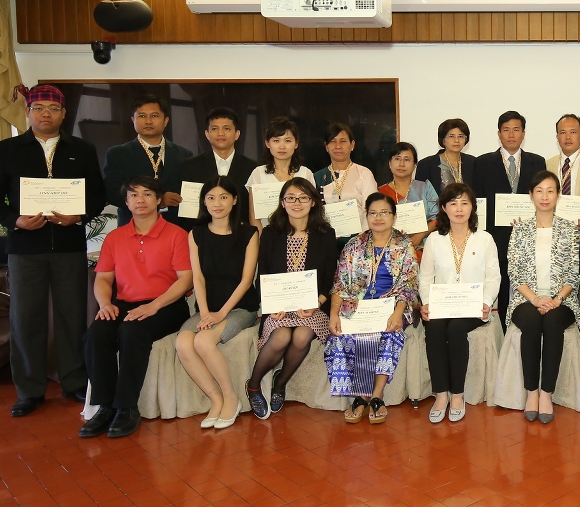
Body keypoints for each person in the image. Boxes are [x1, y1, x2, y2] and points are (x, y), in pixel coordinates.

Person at [0, 84, 106, 418]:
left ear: (64, 114)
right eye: (39, 108)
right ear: (28, 113)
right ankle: (29, 390)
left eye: (53, 108)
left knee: (72, 316)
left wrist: (79, 216)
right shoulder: (6, 149)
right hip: (25, 248)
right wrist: (16, 221)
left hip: (68, 246)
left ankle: (74, 381)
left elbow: (96, 195)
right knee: (26, 319)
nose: (45, 114)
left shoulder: (82, 149)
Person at [79, 177, 193, 439]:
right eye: (133, 195)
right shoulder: (115, 237)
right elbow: (104, 278)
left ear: (158, 200)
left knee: (132, 333)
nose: (140, 200)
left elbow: (185, 279)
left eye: (147, 194)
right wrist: (105, 303)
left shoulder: (176, 234)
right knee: (96, 333)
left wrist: (154, 306)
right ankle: (105, 406)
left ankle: (127, 407)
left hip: (167, 304)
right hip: (124, 303)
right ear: (126, 202)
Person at [174, 177, 260, 430]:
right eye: (211, 197)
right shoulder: (196, 234)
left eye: (224, 197)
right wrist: (204, 312)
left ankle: (232, 398)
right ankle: (216, 399)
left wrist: (221, 313)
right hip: (208, 308)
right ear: (204, 202)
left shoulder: (249, 233)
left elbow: (246, 281)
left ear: (234, 201)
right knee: (183, 342)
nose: (217, 203)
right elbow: (198, 277)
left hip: (241, 307)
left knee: (203, 341)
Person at [245, 179, 336, 419]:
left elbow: (330, 277)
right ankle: (253, 386)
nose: (297, 203)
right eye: (291, 198)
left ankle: (280, 383)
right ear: (282, 203)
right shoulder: (270, 235)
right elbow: (262, 275)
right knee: (282, 335)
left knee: (303, 334)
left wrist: (318, 301)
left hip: (312, 306)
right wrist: (272, 306)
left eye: (304, 197)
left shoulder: (326, 234)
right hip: (278, 308)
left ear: (314, 202)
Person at [327, 192, 420, 425]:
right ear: (366, 216)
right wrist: (334, 314)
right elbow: (339, 283)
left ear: (394, 216)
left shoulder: (403, 244)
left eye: (384, 213)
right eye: (373, 213)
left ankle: (376, 395)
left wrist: (398, 314)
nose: (378, 218)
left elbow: (410, 283)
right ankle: (360, 394)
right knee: (340, 337)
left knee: (388, 334)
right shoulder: (354, 244)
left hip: (393, 305)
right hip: (356, 306)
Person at [419, 183, 501, 423]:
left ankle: (458, 394)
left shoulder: (484, 239)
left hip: (472, 305)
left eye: (464, 202)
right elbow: (425, 277)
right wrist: (427, 303)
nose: (459, 208)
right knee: (434, 328)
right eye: (453, 203)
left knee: (455, 330)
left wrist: (485, 302)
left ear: (473, 207)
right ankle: (441, 394)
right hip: (443, 304)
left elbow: (494, 277)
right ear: (444, 208)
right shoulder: (434, 239)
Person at [505, 171, 580, 423]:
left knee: (551, 323)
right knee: (531, 322)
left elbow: (574, 272)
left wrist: (556, 299)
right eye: (539, 190)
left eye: (550, 190)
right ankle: (531, 392)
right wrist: (536, 299)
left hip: (563, 300)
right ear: (531, 195)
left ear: (559, 195)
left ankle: (547, 392)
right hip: (525, 299)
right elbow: (514, 272)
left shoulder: (570, 230)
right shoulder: (520, 230)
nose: (545, 196)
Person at [472, 111, 545, 306]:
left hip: (529, 235)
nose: (511, 135)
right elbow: (477, 201)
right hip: (496, 236)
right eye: (506, 130)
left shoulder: (538, 162)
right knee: (502, 288)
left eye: (516, 129)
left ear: (523, 133)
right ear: (499, 133)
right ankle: (504, 333)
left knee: (532, 287)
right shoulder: (482, 163)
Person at [102, 94, 194, 226]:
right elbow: (113, 193)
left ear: (166, 121)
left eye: (155, 116)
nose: (148, 121)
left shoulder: (184, 154)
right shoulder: (118, 154)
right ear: (133, 119)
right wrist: (158, 200)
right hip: (133, 225)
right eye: (142, 116)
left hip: (175, 227)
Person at [178, 106, 258, 231]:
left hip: (241, 236)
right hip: (202, 236)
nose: (220, 133)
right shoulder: (190, 166)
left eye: (226, 128)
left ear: (237, 134)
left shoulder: (253, 168)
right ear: (207, 134)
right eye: (215, 129)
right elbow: (186, 213)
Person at [313, 122, 379, 246]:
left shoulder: (363, 173)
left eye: (343, 141)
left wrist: (363, 240)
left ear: (352, 145)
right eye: (332, 141)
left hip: (360, 242)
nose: (338, 146)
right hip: (326, 242)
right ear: (326, 146)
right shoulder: (317, 177)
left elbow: (371, 209)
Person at [245, 116, 314, 229]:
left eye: (287, 141)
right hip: (269, 237)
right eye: (276, 140)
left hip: (301, 237)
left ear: (296, 144)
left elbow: (312, 211)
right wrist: (263, 243)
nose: (282, 146)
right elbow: (254, 217)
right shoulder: (258, 174)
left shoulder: (306, 174)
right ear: (268, 143)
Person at [378, 142, 438, 258]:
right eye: (397, 159)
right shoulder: (380, 192)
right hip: (389, 253)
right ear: (390, 163)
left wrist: (420, 235)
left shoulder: (425, 187)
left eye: (407, 159)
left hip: (423, 251)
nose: (401, 164)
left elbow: (437, 217)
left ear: (415, 164)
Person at [414, 118, 476, 195]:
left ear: (466, 139)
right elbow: (420, 195)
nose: (456, 140)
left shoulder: (473, 162)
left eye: (460, 136)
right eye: (451, 136)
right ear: (443, 139)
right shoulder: (426, 165)